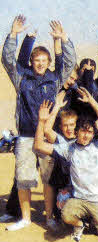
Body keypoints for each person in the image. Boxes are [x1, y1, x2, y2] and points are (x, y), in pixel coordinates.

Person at [2, 16, 76, 231]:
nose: (40, 63)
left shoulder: (55, 79)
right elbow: (7, 59)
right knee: (24, 179)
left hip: (47, 137)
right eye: (37, 60)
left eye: (44, 60)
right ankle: (25, 218)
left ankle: (50, 218)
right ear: (31, 62)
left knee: (47, 179)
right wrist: (13, 35)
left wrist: (64, 39)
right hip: (25, 136)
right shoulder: (21, 78)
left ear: (49, 62)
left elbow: (70, 63)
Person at [33, 97, 98, 241]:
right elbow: (38, 146)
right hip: (79, 200)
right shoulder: (68, 149)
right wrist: (41, 121)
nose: (86, 135)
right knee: (66, 214)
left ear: (93, 134)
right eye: (82, 131)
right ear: (77, 132)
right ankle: (80, 223)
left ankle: (94, 224)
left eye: (89, 132)